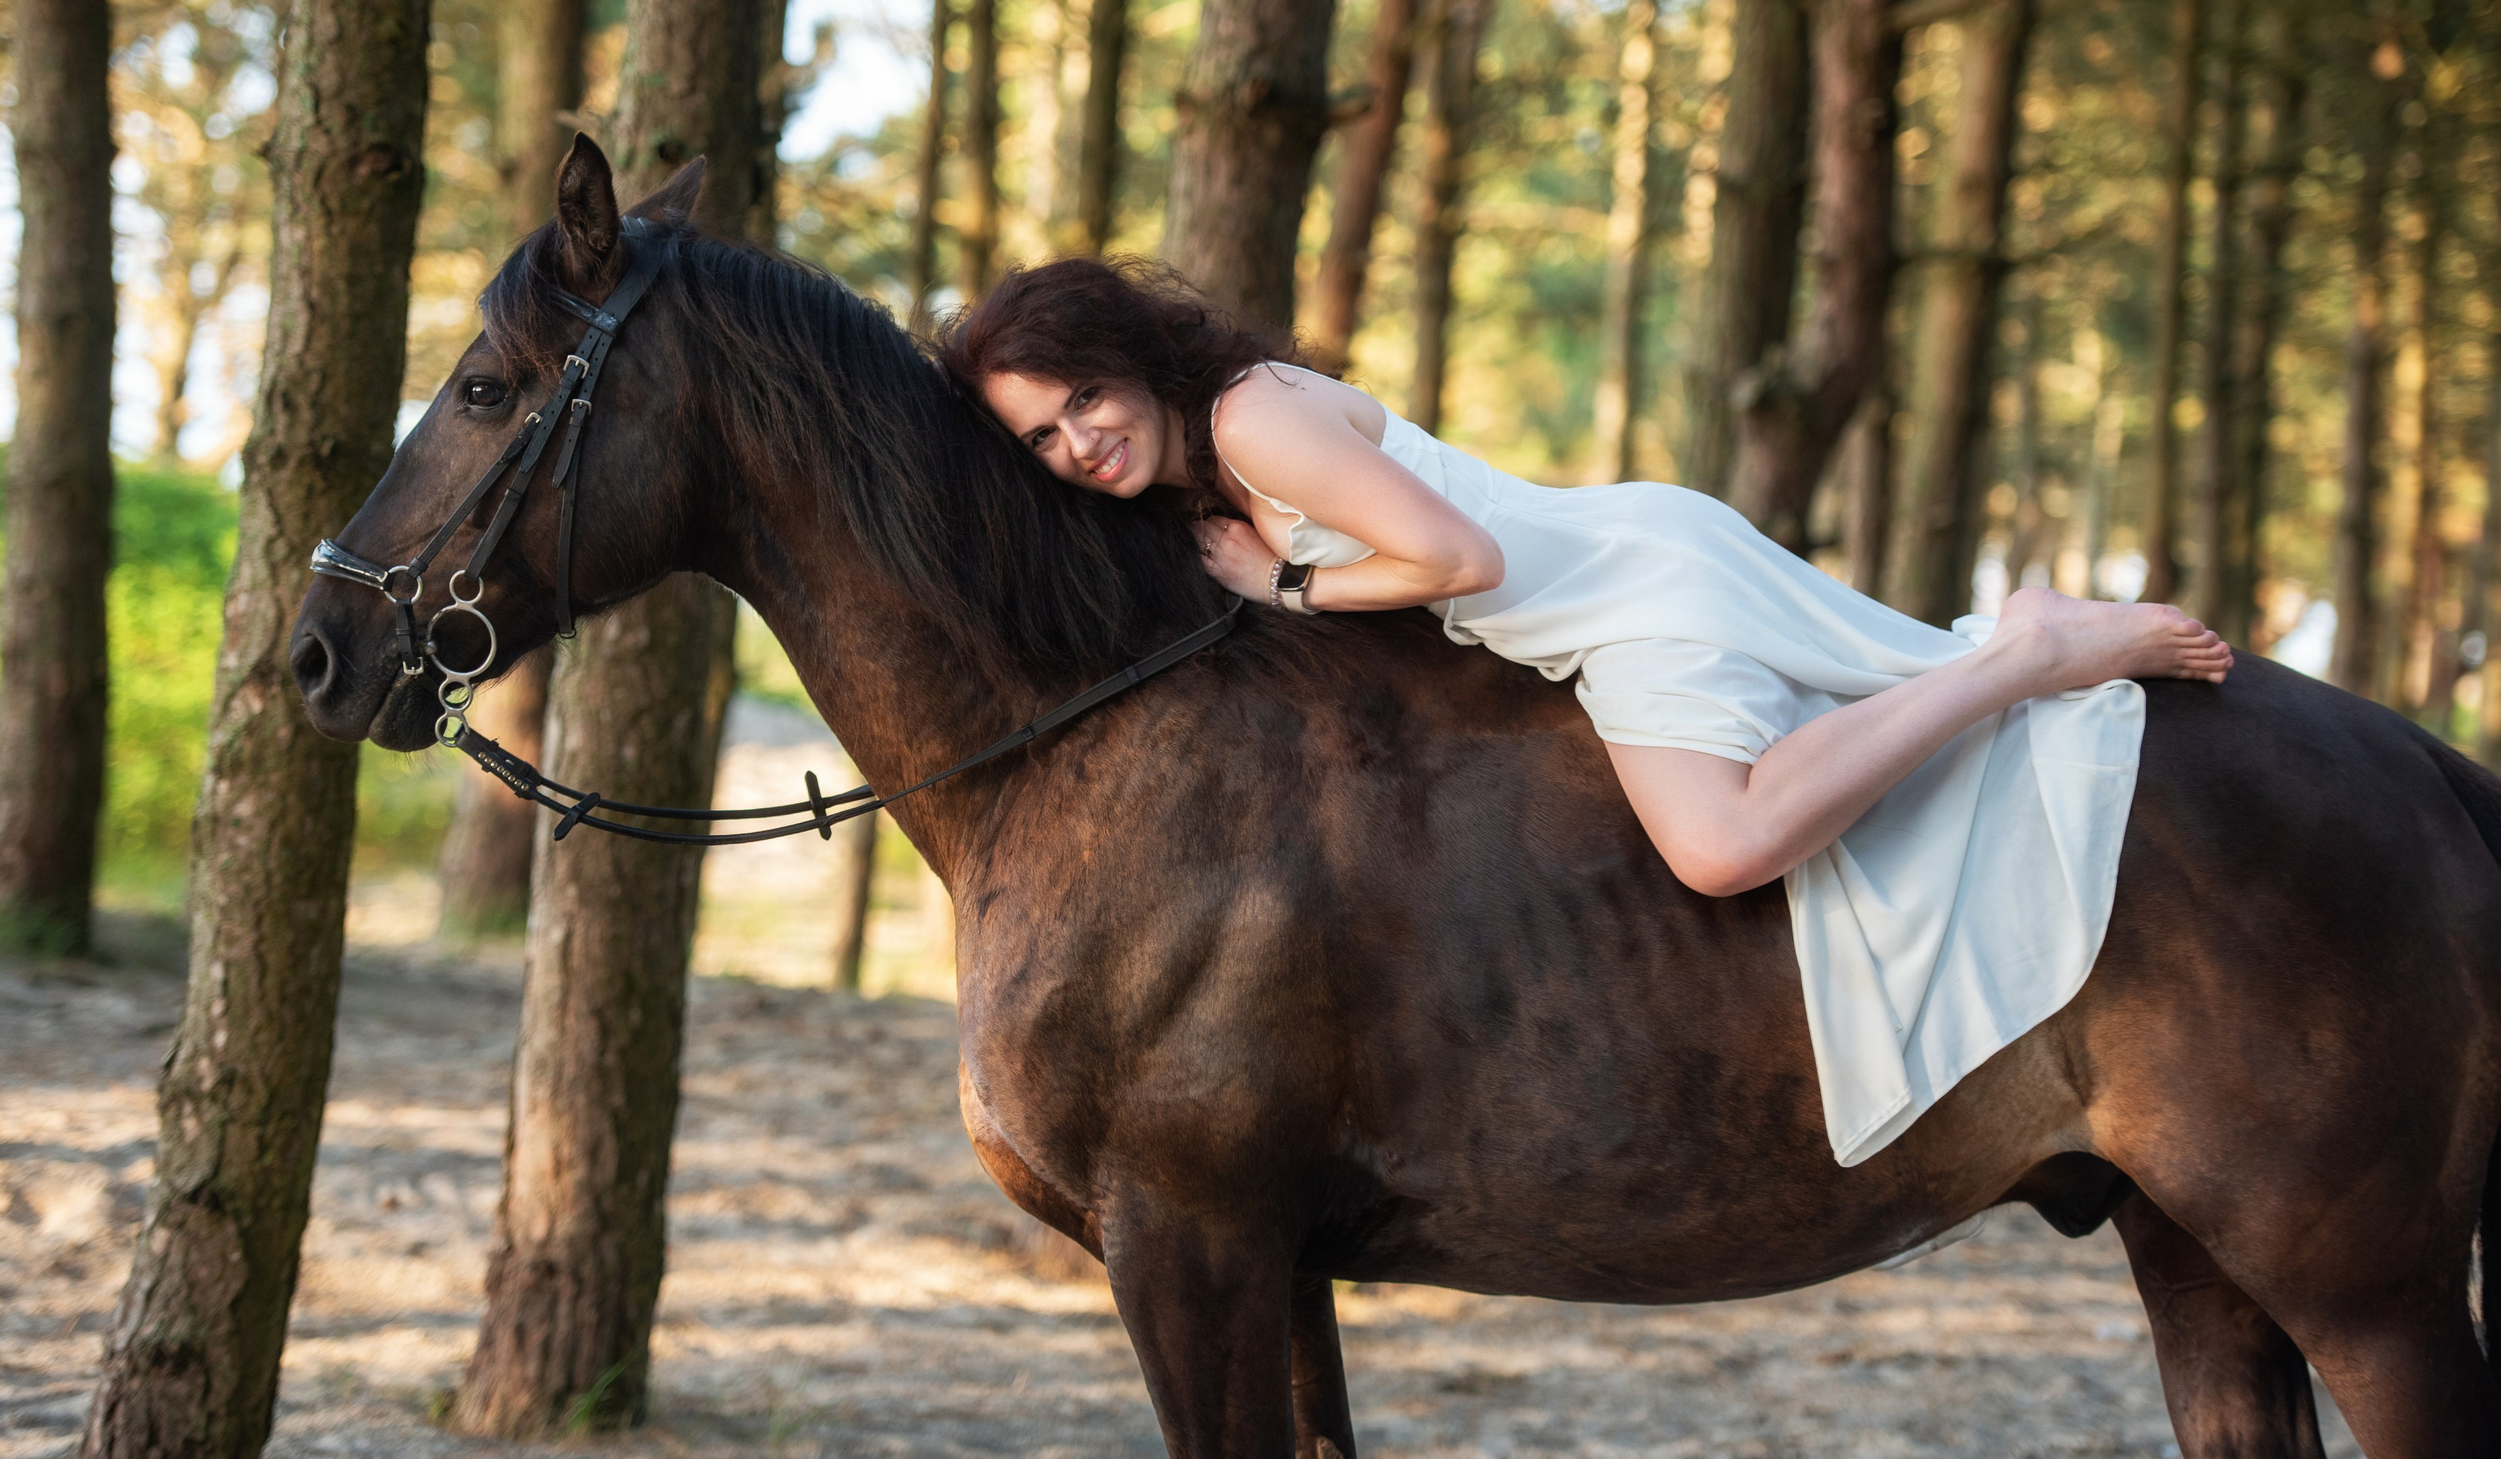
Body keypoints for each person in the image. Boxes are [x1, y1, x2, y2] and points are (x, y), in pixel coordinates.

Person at [937, 258, 2232, 1165]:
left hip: (1628, 596)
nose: (1078, 448)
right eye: (1043, 441)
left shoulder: (1252, 418)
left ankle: (2024, 654)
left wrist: (1284, 579)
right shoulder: (1210, 459)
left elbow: (1460, 562)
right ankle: (2016, 652)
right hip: (1607, 578)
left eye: (1083, 403)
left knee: (1720, 847)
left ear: (1129, 362)